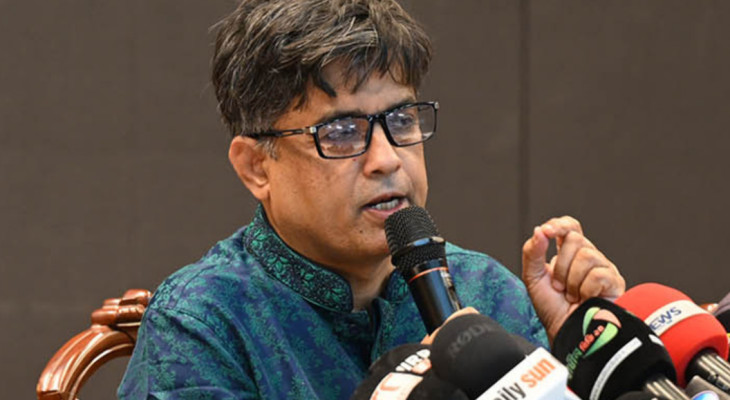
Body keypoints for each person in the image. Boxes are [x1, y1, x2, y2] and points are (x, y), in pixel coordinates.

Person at [118, 0, 625, 398]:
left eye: (401, 120)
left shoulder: (485, 290)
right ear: (256, 166)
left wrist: (583, 351)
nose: (386, 159)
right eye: (341, 131)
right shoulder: (205, 322)